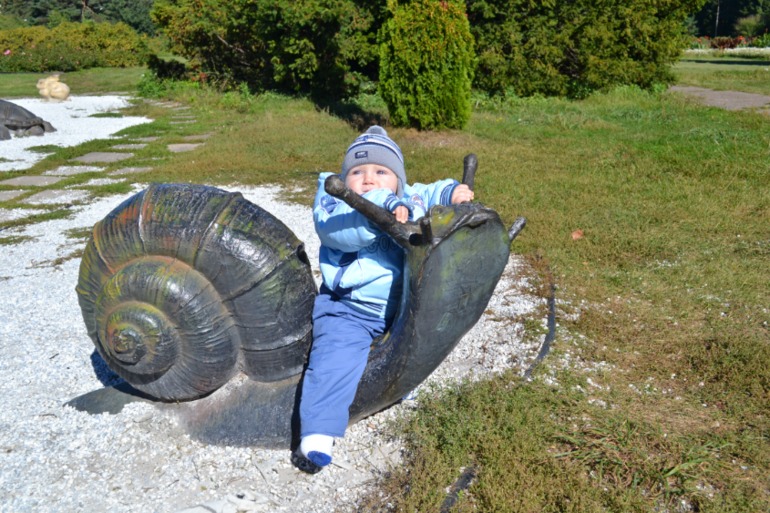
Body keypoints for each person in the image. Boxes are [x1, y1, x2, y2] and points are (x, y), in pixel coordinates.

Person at [292, 126, 474, 474]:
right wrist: (382, 206)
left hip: (401, 304)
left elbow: (431, 191)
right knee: (335, 359)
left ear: (399, 180)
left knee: (414, 345)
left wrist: (452, 192)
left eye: (381, 172)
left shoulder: (411, 197)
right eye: (357, 172)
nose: (368, 180)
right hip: (350, 308)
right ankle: (318, 430)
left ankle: (395, 386)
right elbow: (335, 230)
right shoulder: (337, 202)